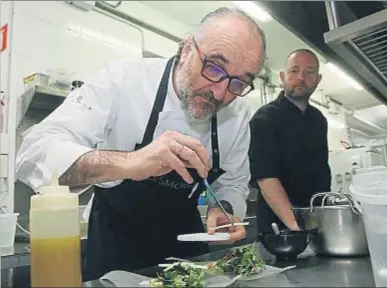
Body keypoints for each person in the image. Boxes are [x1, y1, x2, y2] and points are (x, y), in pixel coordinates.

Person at [16, 7, 266, 280]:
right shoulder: (124, 80)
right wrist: (129, 163)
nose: (220, 92)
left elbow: (234, 183)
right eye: (214, 67)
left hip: (187, 250)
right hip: (115, 246)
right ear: (185, 50)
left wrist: (224, 210)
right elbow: (33, 153)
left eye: (239, 83)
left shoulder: (238, 114)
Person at [248, 49, 331, 234]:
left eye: (309, 72)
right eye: (294, 70)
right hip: (278, 226)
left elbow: (323, 172)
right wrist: (297, 226)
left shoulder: (319, 120)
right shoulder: (265, 118)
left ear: (318, 79)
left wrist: (327, 218)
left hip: (316, 221)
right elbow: (266, 177)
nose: (301, 77)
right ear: (282, 77)